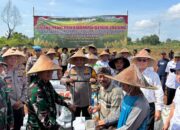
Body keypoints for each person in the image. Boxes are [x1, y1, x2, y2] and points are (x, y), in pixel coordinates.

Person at [26, 55, 75, 130]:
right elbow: (45, 119)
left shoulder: (46, 83)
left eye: (51, 70)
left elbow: (55, 96)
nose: (50, 73)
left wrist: (68, 105)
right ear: (39, 72)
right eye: (46, 71)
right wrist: (60, 128)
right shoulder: (36, 90)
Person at [105, 64, 154, 130]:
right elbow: (119, 113)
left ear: (131, 86)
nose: (122, 88)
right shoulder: (127, 95)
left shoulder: (141, 104)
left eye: (123, 85)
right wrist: (105, 121)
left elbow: (129, 127)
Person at [131, 49, 164, 130]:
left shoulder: (153, 75)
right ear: (136, 61)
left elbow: (159, 92)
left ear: (148, 62)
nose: (142, 62)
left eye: (144, 60)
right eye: (139, 60)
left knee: (147, 127)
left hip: (149, 106)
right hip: (134, 105)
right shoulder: (132, 74)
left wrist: (158, 110)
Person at [61, 49, 97, 119]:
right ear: (74, 61)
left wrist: (94, 80)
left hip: (87, 99)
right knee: (74, 119)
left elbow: (97, 79)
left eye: (81, 60)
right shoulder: (70, 70)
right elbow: (62, 80)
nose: (79, 61)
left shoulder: (90, 69)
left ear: (84, 61)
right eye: (77, 60)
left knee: (87, 118)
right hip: (74, 100)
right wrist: (68, 80)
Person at [2, 48, 27, 130]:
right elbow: (4, 91)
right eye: (10, 57)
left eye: (15, 57)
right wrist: (12, 103)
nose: (13, 60)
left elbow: (26, 87)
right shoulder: (3, 73)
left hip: (20, 106)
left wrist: (21, 101)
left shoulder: (21, 71)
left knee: (18, 126)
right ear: (6, 59)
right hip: (7, 108)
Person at [163, 62, 180, 130]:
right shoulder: (178, 89)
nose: (179, 76)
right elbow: (174, 106)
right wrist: (167, 121)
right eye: (177, 73)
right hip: (174, 125)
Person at [0, 57, 14, 130]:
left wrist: (10, 119)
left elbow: (8, 101)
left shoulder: (3, 81)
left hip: (3, 121)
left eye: (2, 65)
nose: (1, 67)